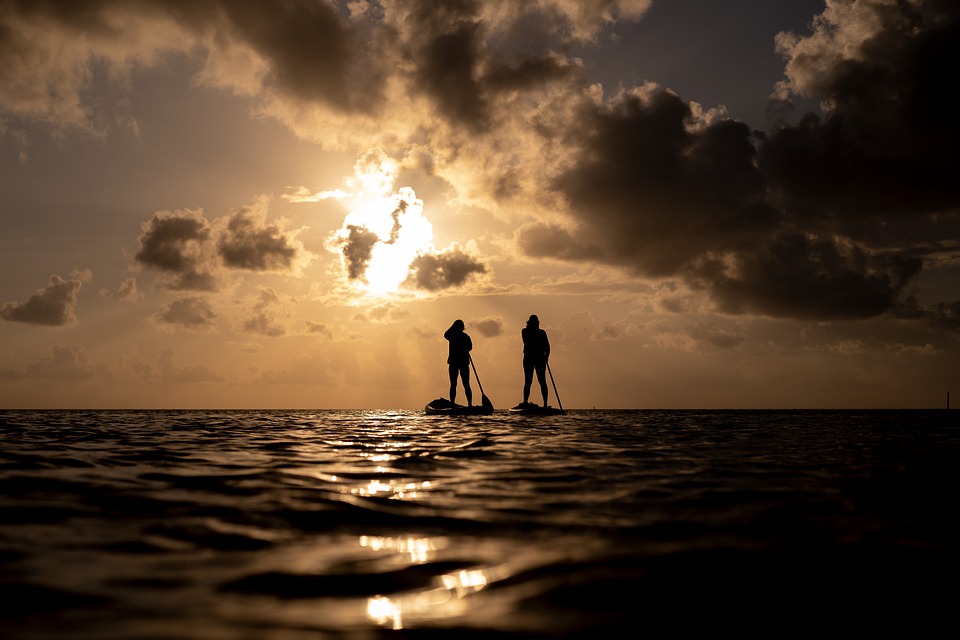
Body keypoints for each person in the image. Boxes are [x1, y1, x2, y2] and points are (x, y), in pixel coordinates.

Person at [521, 314, 550, 407]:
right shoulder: (525, 331)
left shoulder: (542, 333)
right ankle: (525, 402)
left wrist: (546, 357)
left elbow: (547, 347)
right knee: (528, 381)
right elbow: (526, 341)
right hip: (529, 358)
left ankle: (545, 404)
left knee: (542, 381)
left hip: (540, 359)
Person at [444, 319, 473, 406]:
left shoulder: (454, 336)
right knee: (461, 384)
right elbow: (470, 347)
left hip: (459, 362)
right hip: (457, 362)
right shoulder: (461, 336)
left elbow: (470, 347)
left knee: (459, 384)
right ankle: (468, 404)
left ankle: (467, 403)